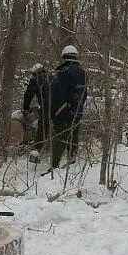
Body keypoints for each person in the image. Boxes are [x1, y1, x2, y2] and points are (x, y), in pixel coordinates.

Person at [44, 45, 87, 173]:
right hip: (77, 111)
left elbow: (57, 95)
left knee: (59, 139)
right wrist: (79, 107)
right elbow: (84, 93)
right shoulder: (82, 73)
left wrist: (53, 113)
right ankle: (72, 161)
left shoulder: (62, 73)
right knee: (73, 137)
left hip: (63, 112)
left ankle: (54, 167)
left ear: (64, 56)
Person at [22, 63, 50, 153]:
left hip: (46, 106)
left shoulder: (35, 80)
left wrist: (26, 108)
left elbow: (28, 95)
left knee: (42, 126)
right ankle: (51, 144)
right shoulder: (51, 78)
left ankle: (38, 148)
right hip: (58, 105)